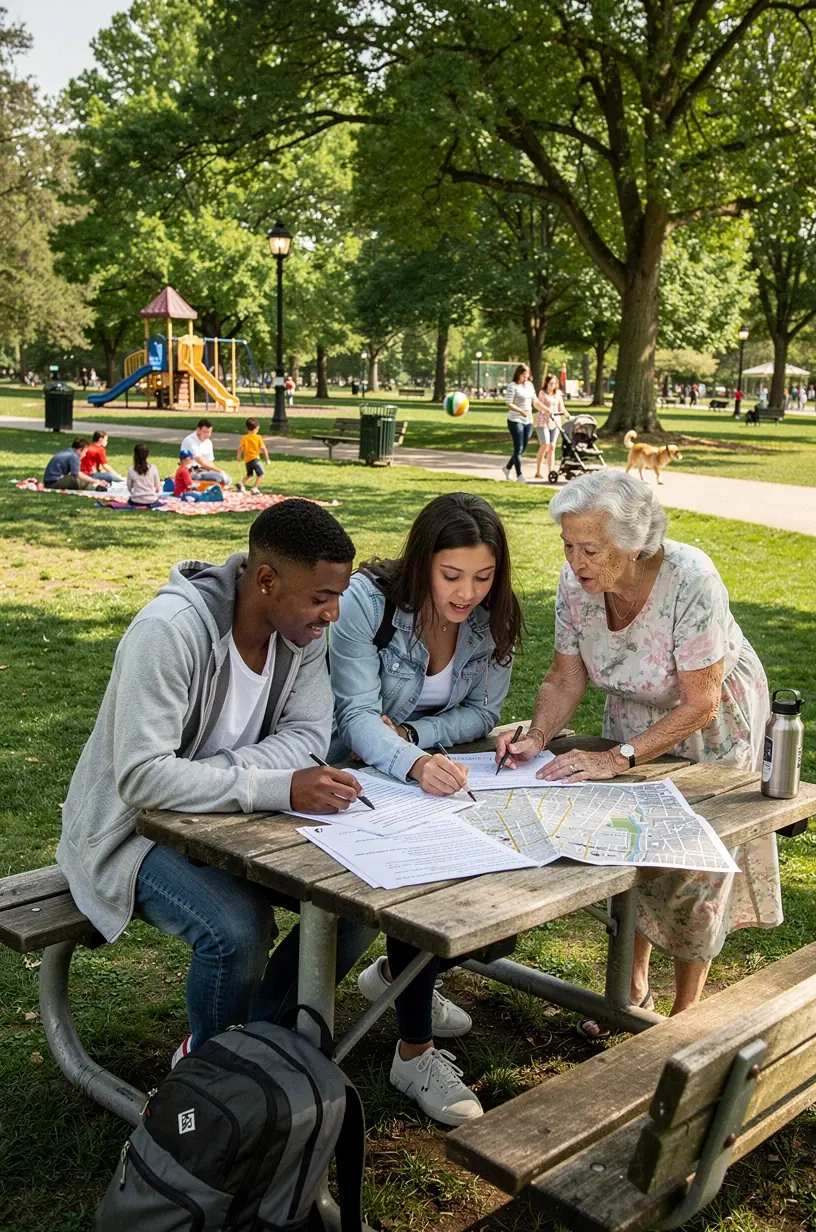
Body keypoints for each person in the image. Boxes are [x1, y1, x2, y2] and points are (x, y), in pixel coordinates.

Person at [57, 500, 377, 1066]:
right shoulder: (167, 632)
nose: (332, 613)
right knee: (237, 931)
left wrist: (221, 776)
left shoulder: (301, 635)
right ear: (267, 580)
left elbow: (308, 735)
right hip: (129, 833)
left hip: (234, 823)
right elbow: (143, 778)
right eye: (321, 597)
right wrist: (274, 785)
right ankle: (211, 1067)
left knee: (358, 901)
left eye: (338, 595)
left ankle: (258, 1046)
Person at [496, 471, 782, 1038]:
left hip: (710, 723)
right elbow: (564, 677)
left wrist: (619, 758)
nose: (575, 562)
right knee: (628, 845)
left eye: (590, 549)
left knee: (695, 863)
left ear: (633, 544)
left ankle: (685, 1014)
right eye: (568, 545)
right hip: (630, 716)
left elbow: (700, 702)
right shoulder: (575, 583)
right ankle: (628, 991)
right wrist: (538, 734)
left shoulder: (690, 577)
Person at [329, 493, 522, 1125]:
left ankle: (399, 975)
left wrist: (416, 737)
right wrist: (410, 761)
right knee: (418, 886)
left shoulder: (494, 619)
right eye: (452, 576)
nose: (468, 594)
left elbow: (484, 713)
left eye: (484, 577)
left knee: (502, 896)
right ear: (422, 563)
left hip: (426, 773)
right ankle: (413, 1054)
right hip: (347, 776)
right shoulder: (367, 603)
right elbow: (355, 716)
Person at [502, 363, 546, 482]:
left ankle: (507, 468)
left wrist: (546, 410)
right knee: (518, 448)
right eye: (524, 374)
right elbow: (509, 404)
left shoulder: (530, 385)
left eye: (527, 374)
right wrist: (520, 411)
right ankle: (519, 476)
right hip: (515, 420)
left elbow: (535, 402)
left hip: (528, 420)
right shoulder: (512, 386)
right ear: (518, 374)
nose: (526, 376)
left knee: (522, 448)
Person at [534, 373, 569, 481]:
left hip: (555, 422)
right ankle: (538, 471)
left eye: (554, 383)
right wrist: (547, 410)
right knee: (545, 445)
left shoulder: (558, 394)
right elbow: (539, 405)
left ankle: (551, 471)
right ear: (546, 383)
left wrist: (568, 415)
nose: (552, 385)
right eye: (550, 383)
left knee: (552, 447)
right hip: (543, 422)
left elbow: (561, 407)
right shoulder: (542, 393)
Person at [180, 418, 232, 486]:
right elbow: (200, 461)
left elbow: (210, 462)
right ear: (198, 430)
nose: (207, 435)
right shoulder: (190, 441)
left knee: (228, 478)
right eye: (204, 432)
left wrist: (218, 472)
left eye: (209, 432)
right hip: (192, 472)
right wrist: (220, 471)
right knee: (220, 478)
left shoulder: (208, 443)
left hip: (205, 471)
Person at [43, 438, 108, 490]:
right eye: (85, 452)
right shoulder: (74, 456)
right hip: (53, 483)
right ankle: (95, 486)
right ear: (80, 450)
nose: (85, 455)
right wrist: (95, 481)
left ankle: (95, 485)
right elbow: (77, 474)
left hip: (50, 481)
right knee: (76, 480)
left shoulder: (69, 452)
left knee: (81, 478)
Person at [237, 417, 270, 491]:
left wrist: (238, 457)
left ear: (247, 428)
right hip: (255, 459)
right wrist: (267, 459)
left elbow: (240, 448)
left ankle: (241, 483)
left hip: (247, 460)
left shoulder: (245, 438)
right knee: (261, 474)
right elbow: (263, 449)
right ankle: (255, 488)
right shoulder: (258, 438)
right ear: (256, 428)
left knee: (249, 474)